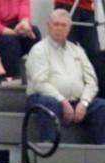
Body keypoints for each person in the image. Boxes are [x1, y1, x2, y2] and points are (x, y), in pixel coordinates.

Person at [26, 10, 105, 145]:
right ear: (48, 26)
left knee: (101, 106)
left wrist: (84, 103)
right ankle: (49, 148)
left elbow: (92, 82)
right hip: (43, 99)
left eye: (64, 25)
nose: (59, 28)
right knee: (50, 103)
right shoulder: (38, 50)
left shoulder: (78, 51)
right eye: (56, 24)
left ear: (69, 29)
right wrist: (63, 101)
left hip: (76, 102)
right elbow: (40, 83)